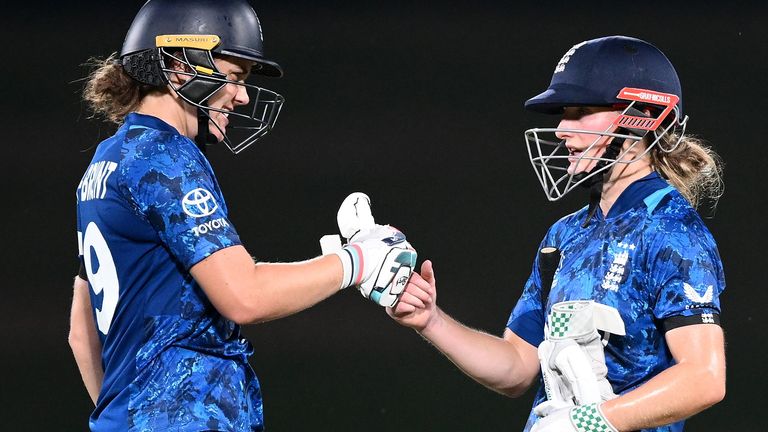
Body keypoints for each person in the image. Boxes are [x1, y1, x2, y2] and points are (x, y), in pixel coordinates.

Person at [67, 1, 415, 431]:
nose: (243, 95)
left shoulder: (108, 159)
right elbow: (244, 295)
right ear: (178, 66)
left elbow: (81, 334)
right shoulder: (166, 156)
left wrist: (129, 418)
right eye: (233, 77)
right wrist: (357, 261)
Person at [389, 35, 726, 432]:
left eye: (582, 111)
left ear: (643, 116)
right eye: (564, 112)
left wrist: (592, 422)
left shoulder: (673, 231)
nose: (563, 128)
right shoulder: (563, 236)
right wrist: (431, 320)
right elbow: (517, 366)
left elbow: (704, 377)